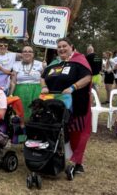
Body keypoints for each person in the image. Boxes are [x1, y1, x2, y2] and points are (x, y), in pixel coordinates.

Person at [41, 38, 92, 175]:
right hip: (53, 102)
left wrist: (73, 87)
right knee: (53, 128)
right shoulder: (55, 62)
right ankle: (51, 156)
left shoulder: (79, 60)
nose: (62, 49)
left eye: (64, 46)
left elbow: (87, 77)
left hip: (75, 103)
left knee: (75, 131)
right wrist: (44, 86)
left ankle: (77, 162)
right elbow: (43, 77)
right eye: (59, 47)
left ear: (71, 46)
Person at [9, 45, 44, 120]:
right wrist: (11, 94)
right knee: (20, 112)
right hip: (20, 91)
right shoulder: (16, 64)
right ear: (21, 54)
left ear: (33, 54)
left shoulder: (40, 64)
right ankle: (21, 128)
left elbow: (43, 79)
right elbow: (13, 81)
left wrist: (43, 91)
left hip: (36, 90)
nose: (27, 53)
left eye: (30, 51)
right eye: (25, 51)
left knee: (35, 111)